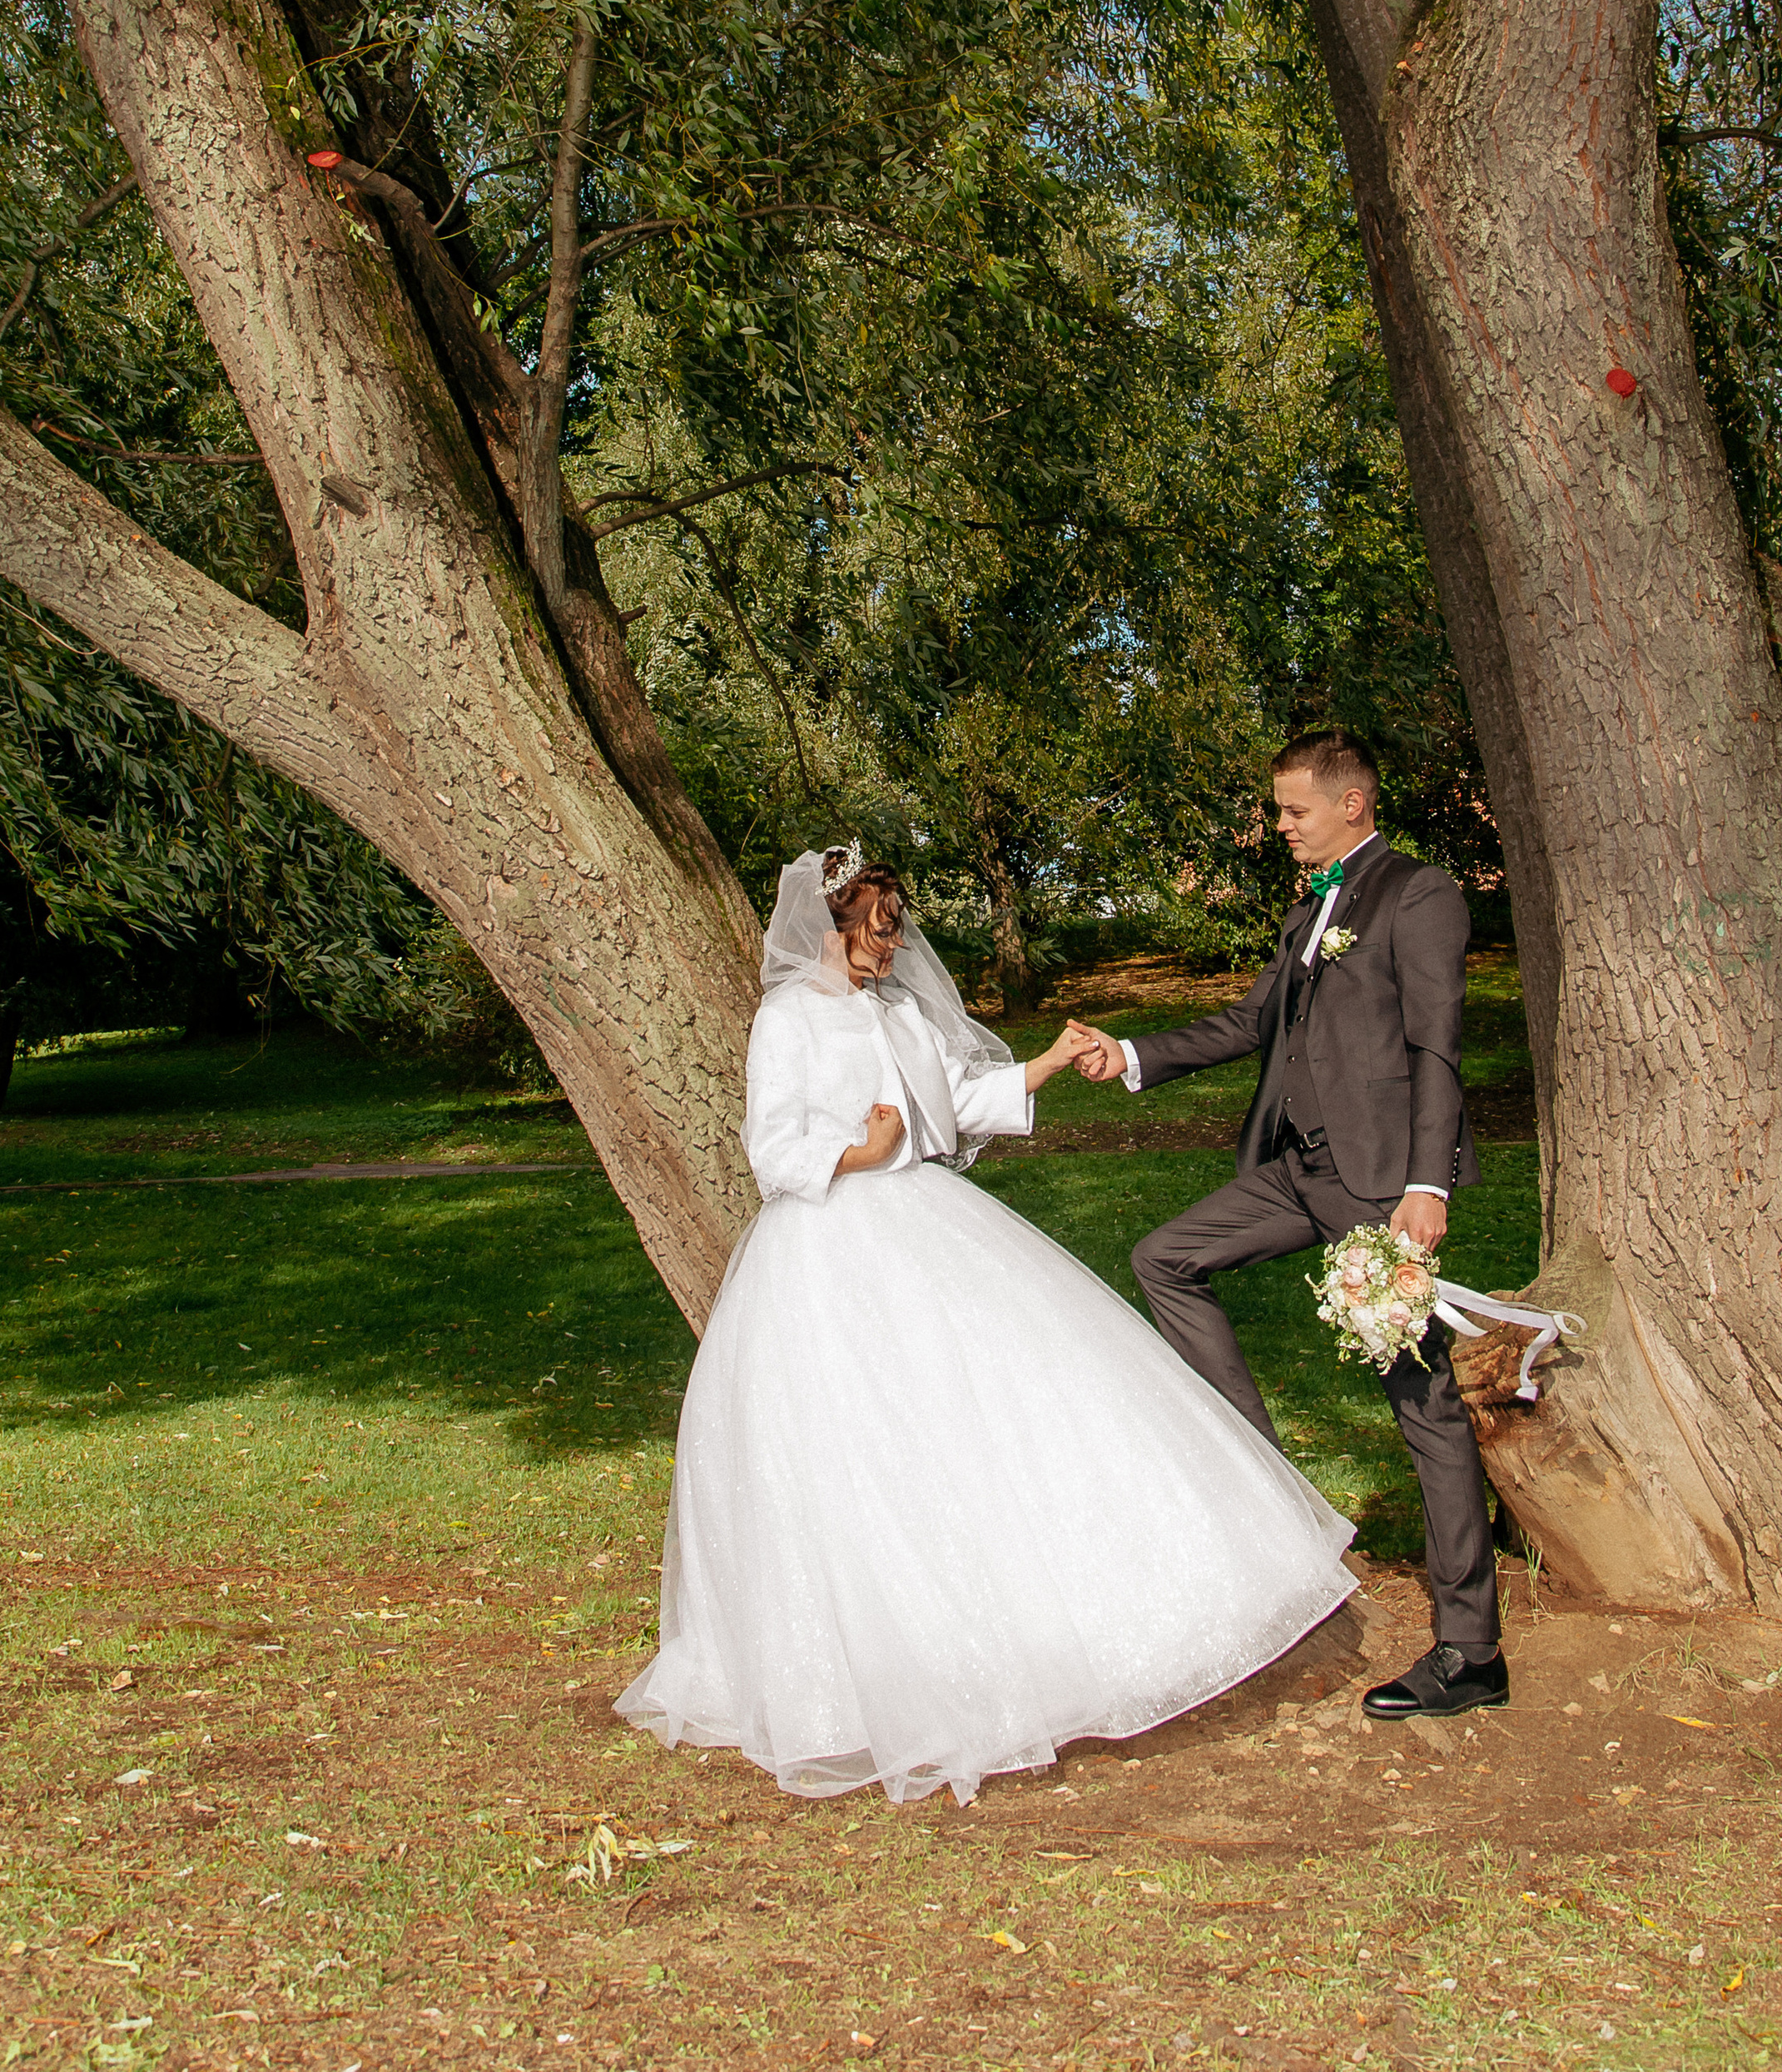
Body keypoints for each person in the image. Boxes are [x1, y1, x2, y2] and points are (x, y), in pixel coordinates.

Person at [617, 842, 1358, 1805]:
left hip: (929, 1226)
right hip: (829, 1251)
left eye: (894, 928)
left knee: (1012, 1408)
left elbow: (958, 1100)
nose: (889, 947)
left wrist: (1046, 1063)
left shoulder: (897, 1011)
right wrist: (856, 1151)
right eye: (875, 930)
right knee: (867, 1445)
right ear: (830, 924)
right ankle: (880, 1669)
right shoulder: (787, 1017)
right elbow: (770, 1146)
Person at [1070, 729, 1508, 1722]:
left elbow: (1438, 1045)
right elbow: (1251, 1023)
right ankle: (1267, 1487)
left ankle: (1470, 1650)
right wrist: (1131, 1056)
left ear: (1351, 805)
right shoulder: (1310, 904)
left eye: (1292, 811)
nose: (1279, 827)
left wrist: (1425, 1185)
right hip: (1293, 1169)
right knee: (1166, 1256)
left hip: (1376, 1185)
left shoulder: (1419, 893)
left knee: (1421, 1398)